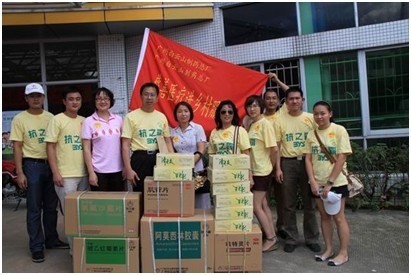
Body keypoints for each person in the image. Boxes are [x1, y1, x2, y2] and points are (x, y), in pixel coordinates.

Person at [10, 83, 68, 263]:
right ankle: (36, 246)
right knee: (34, 208)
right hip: (32, 166)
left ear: (44, 97)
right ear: (26, 98)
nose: (36, 99)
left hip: (51, 165)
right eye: (32, 96)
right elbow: (17, 147)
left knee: (51, 207)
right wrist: (20, 172)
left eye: (39, 95)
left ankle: (51, 239)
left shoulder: (51, 117)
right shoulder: (19, 119)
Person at [304, 101, 351, 266]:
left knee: (338, 217)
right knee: (324, 217)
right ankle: (329, 249)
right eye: (316, 113)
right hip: (318, 183)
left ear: (330, 113)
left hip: (336, 182)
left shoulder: (339, 130)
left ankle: (343, 253)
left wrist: (330, 182)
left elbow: (342, 157)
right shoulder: (311, 134)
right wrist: (312, 182)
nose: (319, 116)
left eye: (322, 113)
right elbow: (308, 159)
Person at [275, 87, 320, 253]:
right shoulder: (280, 120)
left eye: (297, 98)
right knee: (288, 203)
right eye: (291, 99)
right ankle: (291, 238)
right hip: (288, 163)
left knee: (310, 203)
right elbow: (278, 147)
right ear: (286, 102)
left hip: (308, 163)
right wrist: (278, 168)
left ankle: (312, 238)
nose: (294, 101)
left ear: (303, 100)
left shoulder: (311, 119)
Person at [46, 85, 90, 253]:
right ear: (64, 101)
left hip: (84, 174)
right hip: (66, 176)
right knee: (71, 215)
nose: (74, 102)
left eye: (78, 99)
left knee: (83, 214)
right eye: (71, 99)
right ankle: (75, 251)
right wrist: (56, 172)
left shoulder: (84, 120)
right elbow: (50, 147)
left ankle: (83, 246)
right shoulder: (57, 120)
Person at [121, 82, 174, 194]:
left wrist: (172, 162)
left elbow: (168, 141)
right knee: (141, 194)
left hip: (159, 158)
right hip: (139, 159)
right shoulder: (131, 117)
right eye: (146, 94)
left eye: (152, 95)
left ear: (157, 98)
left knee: (161, 193)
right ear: (141, 96)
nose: (149, 97)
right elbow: (125, 146)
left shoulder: (161, 116)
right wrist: (128, 169)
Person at [244, 95, 278, 252]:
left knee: (255, 206)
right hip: (255, 170)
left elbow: (274, 149)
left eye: (256, 106)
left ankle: (270, 239)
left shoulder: (265, 124)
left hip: (262, 171)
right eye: (250, 106)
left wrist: (271, 167)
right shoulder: (251, 124)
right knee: (263, 204)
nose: (252, 109)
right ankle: (271, 233)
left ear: (262, 107)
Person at [81, 87, 124, 191]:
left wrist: (126, 167)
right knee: (101, 205)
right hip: (98, 171)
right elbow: (86, 149)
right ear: (94, 102)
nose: (103, 101)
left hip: (118, 170)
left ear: (111, 101)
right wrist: (91, 172)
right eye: (99, 99)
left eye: (106, 98)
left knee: (117, 204)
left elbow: (124, 145)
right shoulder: (88, 121)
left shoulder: (118, 119)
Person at [170, 101, 210, 208]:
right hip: (180, 172)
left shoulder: (197, 128)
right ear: (176, 115)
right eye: (179, 112)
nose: (183, 114)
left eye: (186, 111)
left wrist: (189, 163)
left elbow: (201, 149)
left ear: (190, 113)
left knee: (200, 203)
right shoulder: (173, 132)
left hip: (197, 169)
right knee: (184, 202)